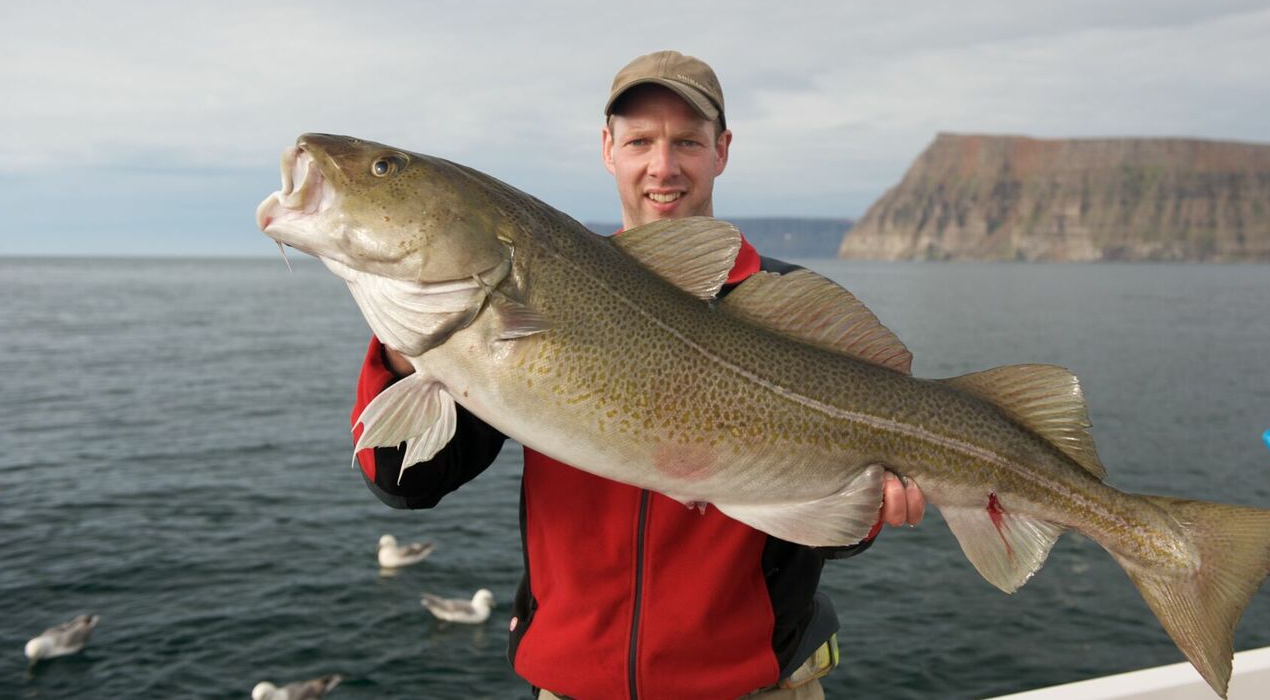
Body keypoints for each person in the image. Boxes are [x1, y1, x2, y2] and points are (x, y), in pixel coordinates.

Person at [350, 50, 925, 699]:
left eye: (687, 142)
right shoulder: (533, 295)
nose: (663, 165)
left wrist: (866, 508)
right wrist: (412, 348)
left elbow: (827, 526)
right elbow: (406, 481)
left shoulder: (789, 313)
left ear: (721, 150)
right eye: (640, 141)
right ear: (608, 149)